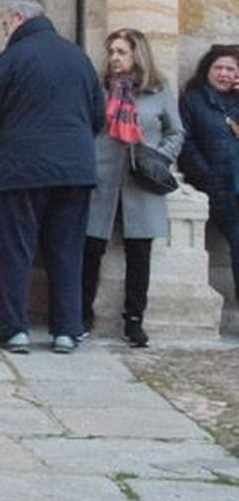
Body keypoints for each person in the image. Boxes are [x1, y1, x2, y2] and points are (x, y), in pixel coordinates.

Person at [0, 0, 104, 355]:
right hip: (75, 168)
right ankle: (66, 330)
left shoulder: (12, 58)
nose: (3, 32)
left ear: (17, 18)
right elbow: (98, 115)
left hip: (20, 168)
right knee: (67, 250)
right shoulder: (77, 56)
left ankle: (14, 329)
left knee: (15, 249)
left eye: (4, 24)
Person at [84, 29, 185, 347]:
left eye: (121, 52)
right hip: (101, 180)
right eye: (111, 51)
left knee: (139, 253)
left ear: (137, 54)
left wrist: (159, 158)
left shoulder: (157, 90)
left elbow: (176, 131)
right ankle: (82, 314)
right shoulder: (99, 89)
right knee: (90, 248)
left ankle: (134, 320)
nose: (114, 58)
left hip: (141, 182)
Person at [179, 45, 239, 304]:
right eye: (219, 68)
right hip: (219, 186)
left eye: (231, 69)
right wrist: (208, 178)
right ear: (208, 70)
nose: (224, 74)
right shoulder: (193, 100)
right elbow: (187, 144)